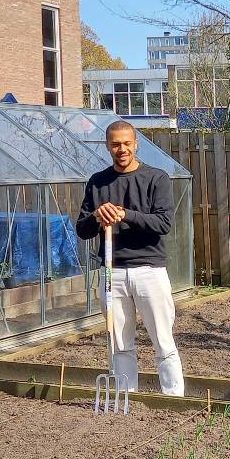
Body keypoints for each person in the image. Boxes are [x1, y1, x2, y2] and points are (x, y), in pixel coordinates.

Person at [76, 119, 185, 396]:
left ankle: (173, 397)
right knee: (119, 342)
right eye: (115, 144)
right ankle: (126, 395)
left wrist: (126, 215)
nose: (121, 149)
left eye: (126, 143)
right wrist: (98, 217)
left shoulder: (155, 178)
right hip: (113, 272)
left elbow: (163, 223)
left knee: (162, 339)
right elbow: (82, 229)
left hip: (149, 270)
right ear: (107, 146)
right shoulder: (98, 182)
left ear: (136, 145)